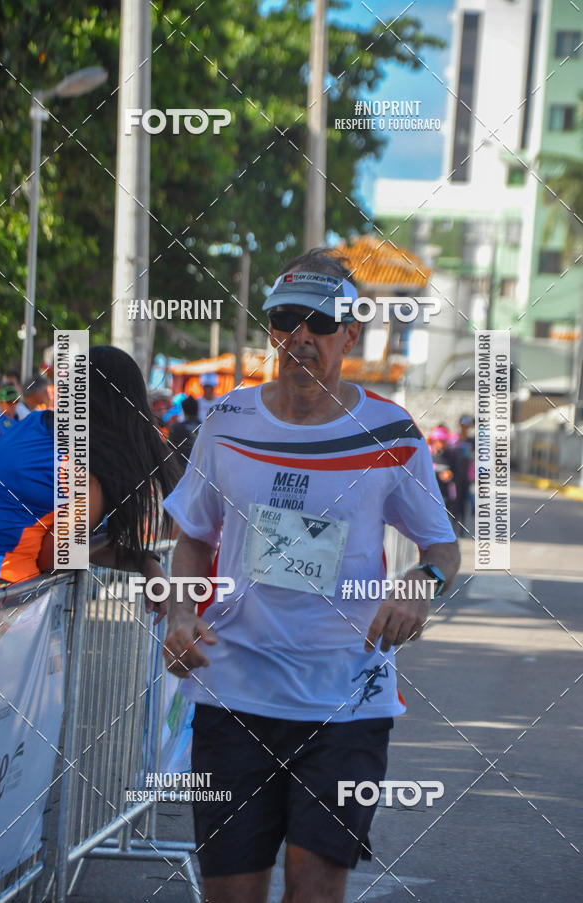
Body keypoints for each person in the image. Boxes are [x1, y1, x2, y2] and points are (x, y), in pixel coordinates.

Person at [162, 249, 460, 903]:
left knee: (314, 892)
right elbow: (192, 534)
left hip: (347, 702)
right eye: (285, 318)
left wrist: (419, 585)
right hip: (232, 697)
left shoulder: (391, 431)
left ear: (350, 332)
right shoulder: (228, 420)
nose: (300, 337)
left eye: (319, 321)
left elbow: (442, 548)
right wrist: (181, 611)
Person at [0, 346, 180, 611]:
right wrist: (111, 539)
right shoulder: (83, 472)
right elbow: (55, 557)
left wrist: (144, 561)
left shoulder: (37, 423)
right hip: (0, 594)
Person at [450, 414, 475, 535]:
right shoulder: (454, 439)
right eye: (463, 425)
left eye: (467, 426)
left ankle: (462, 528)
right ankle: (454, 525)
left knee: (464, 502)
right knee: (454, 501)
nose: (465, 428)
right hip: (454, 476)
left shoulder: (472, 441)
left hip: (467, 476)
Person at [167, 395, 201, 472]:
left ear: (183, 410)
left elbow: (169, 448)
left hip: (182, 471)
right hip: (201, 471)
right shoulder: (205, 427)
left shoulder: (176, 428)